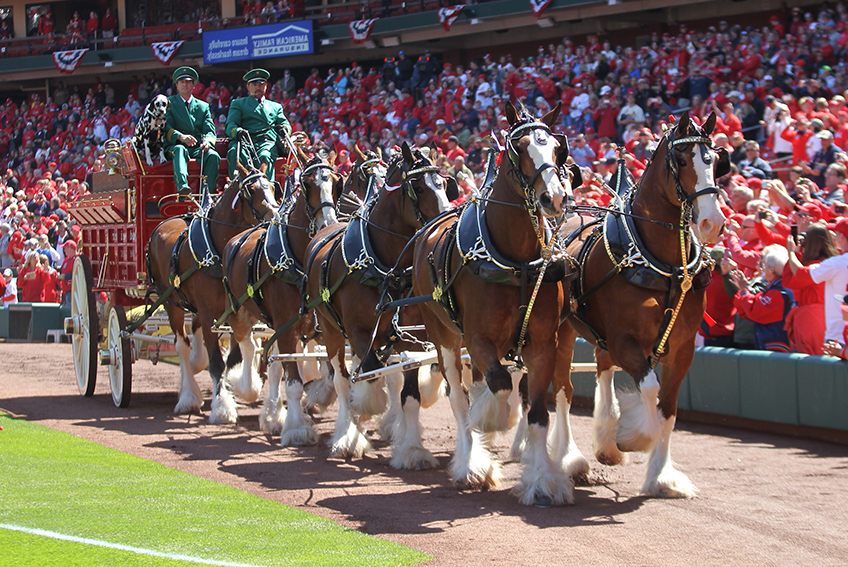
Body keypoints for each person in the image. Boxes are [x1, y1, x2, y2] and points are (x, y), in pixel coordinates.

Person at [786, 217, 848, 351]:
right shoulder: (836, 262)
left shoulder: (837, 263)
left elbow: (801, 274)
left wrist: (792, 252)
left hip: (839, 335)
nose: (834, 237)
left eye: (837, 234)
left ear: (843, 237)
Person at [165, 67, 221, 198]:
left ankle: (206, 195)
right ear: (176, 85)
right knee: (179, 150)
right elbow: (165, 127)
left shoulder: (203, 106)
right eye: (182, 82)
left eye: (189, 82)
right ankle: (182, 186)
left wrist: (207, 142)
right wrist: (180, 136)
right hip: (175, 145)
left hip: (196, 147)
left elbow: (210, 130)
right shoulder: (169, 103)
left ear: (194, 85)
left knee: (213, 156)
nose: (185, 85)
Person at [226, 69, 291, 181]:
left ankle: (267, 189)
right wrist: (237, 131)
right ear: (248, 87)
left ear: (266, 86)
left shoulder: (275, 106)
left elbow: (285, 123)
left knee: (265, 155)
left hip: (266, 141)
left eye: (261, 85)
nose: (258, 87)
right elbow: (230, 125)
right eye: (254, 85)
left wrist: (284, 128)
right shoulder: (238, 104)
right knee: (235, 151)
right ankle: (239, 188)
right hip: (245, 141)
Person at [730, 244, 796, 352]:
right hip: (769, 343)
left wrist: (744, 290)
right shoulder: (773, 287)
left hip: (777, 345)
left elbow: (754, 310)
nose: (761, 268)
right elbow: (746, 311)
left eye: (764, 265)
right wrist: (743, 291)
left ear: (771, 269)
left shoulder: (780, 291)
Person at [782, 223, 835, 355]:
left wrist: (792, 252)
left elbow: (789, 280)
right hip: (829, 314)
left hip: (813, 318)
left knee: (814, 362)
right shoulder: (833, 263)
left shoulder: (816, 267)